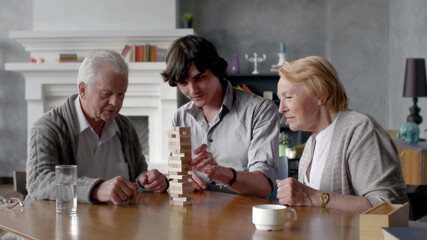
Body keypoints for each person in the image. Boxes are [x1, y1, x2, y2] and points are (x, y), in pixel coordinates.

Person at [26, 49, 168, 205]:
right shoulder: (47, 127)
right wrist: (95, 189)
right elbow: (39, 182)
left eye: (121, 94)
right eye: (106, 94)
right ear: (82, 90)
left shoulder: (125, 128)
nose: (115, 103)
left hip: (119, 225)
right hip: (64, 225)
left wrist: (147, 181)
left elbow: (138, 177)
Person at [276, 56, 408, 212]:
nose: (281, 108)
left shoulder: (360, 130)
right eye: (280, 99)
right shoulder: (312, 143)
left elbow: (385, 207)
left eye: (288, 97)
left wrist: (311, 196)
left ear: (320, 95)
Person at [161, 35, 279, 198]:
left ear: (217, 70)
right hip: (196, 215)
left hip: (244, 217)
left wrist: (219, 172)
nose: (193, 90)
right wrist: (180, 178)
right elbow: (176, 173)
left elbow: (263, 187)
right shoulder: (180, 117)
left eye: (200, 78)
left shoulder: (260, 110)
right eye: (183, 83)